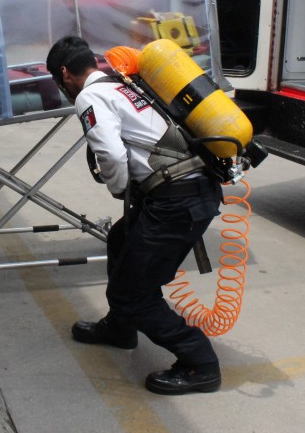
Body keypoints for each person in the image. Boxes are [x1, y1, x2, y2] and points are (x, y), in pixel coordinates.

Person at [46, 35, 224, 395]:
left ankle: (200, 362)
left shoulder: (90, 96)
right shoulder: (122, 85)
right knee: (120, 237)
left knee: (135, 294)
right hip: (190, 190)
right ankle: (120, 327)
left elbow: (111, 155)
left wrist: (117, 187)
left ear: (64, 74)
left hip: (177, 201)